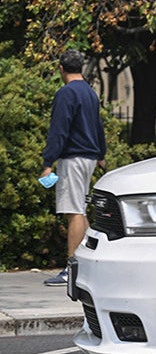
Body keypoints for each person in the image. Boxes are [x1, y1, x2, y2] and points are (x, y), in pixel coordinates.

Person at [40, 50, 106, 286]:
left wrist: (48, 162)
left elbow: (59, 129)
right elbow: (98, 126)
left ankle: (72, 271)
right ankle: (88, 266)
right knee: (80, 210)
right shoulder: (90, 92)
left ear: (61, 69)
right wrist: (101, 154)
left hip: (73, 158)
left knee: (74, 211)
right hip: (89, 157)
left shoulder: (66, 93)